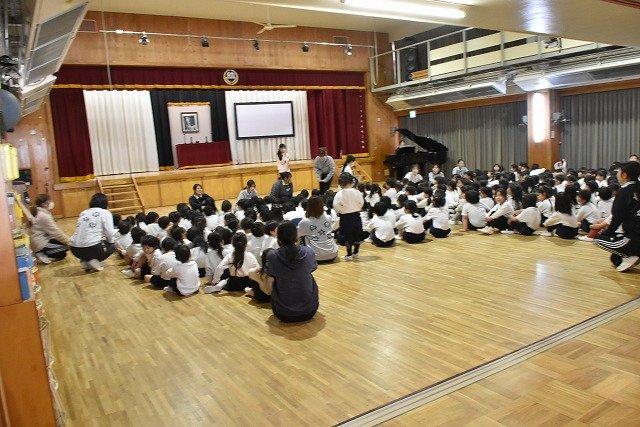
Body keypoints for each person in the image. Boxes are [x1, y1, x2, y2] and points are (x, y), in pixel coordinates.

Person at [265, 222, 319, 323]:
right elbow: (313, 268)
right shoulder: (308, 252)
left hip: (283, 314)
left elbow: (270, 274)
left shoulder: (272, 255)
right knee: (308, 275)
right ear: (296, 235)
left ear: (278, 237)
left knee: (272, 277)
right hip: (310, 311)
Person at [594, 161, 640, 272]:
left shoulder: (624, 191)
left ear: (624, 175)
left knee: (597, 239)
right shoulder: (636, 188)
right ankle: (630, 255)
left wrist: (606, 233)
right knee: (615, 259)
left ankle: (633, 255)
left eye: (618, 172)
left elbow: (617, 218)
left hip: (633, 238)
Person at [69, 193, 116, 272]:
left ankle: (85, 261)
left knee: (89, 244)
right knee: (113, 245)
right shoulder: (105, 212)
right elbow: (110, 233)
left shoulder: (83, 212)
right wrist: (110, 243)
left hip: (74, 249)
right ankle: (94, 260)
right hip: (92, 248)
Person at [29, 194, 69, 264]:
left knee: (63, 249)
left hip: (42, 240)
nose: (51, 202)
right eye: (49, 201)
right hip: (40, 243)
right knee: (65, 248)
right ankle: (42, 254)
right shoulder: (43, 216)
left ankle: (42, 252)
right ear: (43, 204)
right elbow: (56, 232)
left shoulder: (41, 212)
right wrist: (69, 242)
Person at [333, 173, 365, 260]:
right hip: (356, 215)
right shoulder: (357, 192)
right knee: (356, 233)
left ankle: (349, 254)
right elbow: (361, 203)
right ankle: (356, 252)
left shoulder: (340, 194)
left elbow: (336, 206)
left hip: (345, 217)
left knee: (348, 235)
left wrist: (339, 211)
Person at [297, 195, 338, 263]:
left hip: (315, 257)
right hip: (333, 254)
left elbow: (297, 235)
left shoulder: (305, 221)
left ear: (308, 207)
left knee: (302, 236)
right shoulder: (328, 217)